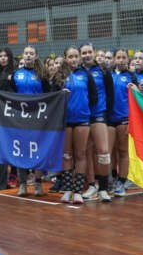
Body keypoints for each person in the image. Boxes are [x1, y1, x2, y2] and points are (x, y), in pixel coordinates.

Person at [52, 46, 96, 204]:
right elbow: (52, 98)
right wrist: (61, 95)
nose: (74, 59)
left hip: (82, 119)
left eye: (76, 56)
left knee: (80, 155)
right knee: (66, 155)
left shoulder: (86, 74)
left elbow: (94, 97)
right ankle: (67, 190)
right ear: (65, 58)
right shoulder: (59, 76)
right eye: (70, 57)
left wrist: (82, 107)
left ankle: (78, 191)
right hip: (64, 120)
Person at [10, 46, 49, 196]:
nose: (28, 56)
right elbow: (9, 94)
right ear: (22, 55)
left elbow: (50, 94)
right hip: (20, 119)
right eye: (26, 53)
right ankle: (23, 184)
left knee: (38, 149)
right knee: (22, 150)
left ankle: (38, 183)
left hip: (37, 118)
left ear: (36, 56)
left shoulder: (42, 75)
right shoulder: (16, 74)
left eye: (31, 53)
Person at [80, 43, 113, 202]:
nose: (87, 55)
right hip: (82, 116)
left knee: (103, 151)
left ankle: (104, 188)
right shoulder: (77, 71)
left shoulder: (103, 71)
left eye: (89, 52)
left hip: (99, 114)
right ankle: (92, 185)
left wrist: (107, 113)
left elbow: (110, 93)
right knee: (87, 152)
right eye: (84, 53)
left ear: (94, 53)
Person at [108, 49, 136, 197]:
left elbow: (137, 98)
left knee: (123, 151)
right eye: (118, 57)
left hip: (124, 118)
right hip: (109, 118)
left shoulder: (131, 76)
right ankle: (112, 178)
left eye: (123, 57)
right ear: (114, 59)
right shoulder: (108, 75)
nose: (120, 60)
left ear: (128, 59)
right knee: (109, 151)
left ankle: (121, 182)